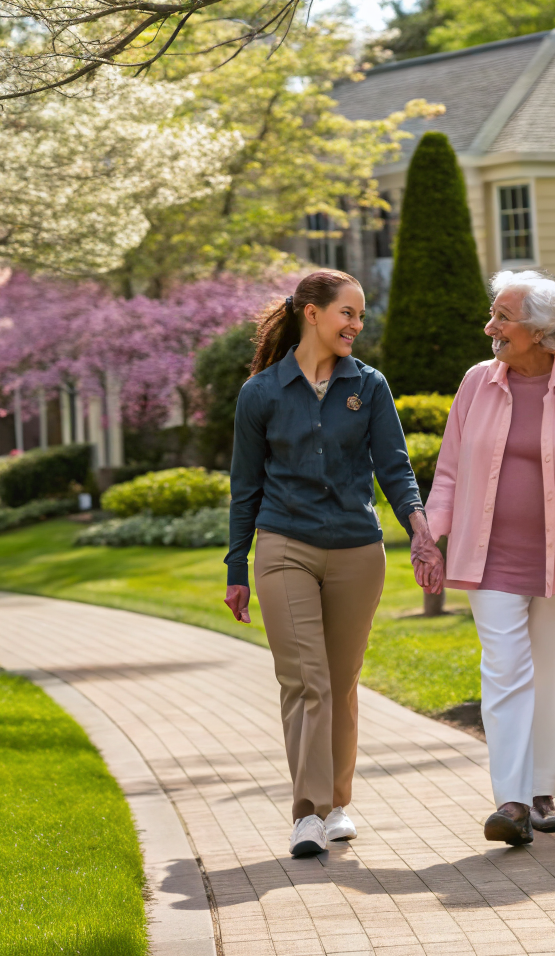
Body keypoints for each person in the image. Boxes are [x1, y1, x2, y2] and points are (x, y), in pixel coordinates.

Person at [224, 269, 444, 858]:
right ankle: (308, 814)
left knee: (342, 684)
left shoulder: (368, 387)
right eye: (348, 313)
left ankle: (338, 804)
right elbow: (244, 486)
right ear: (311, 313)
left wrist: (420, 532)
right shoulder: (262, 394)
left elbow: (395, 469)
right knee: (307, 681)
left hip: (355, 550)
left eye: (361, 315)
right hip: (284, 545)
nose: (357, 325)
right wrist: (235, 569)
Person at [422, 270, 555, 846]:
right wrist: (429, 535)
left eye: (502, 318)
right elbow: (451, 470)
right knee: (506, 669)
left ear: (539, 331)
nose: (491, 327)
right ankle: (510, 801)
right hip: (489, 558)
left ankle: (542, 793)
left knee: (551, 676)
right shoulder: (476, 383)